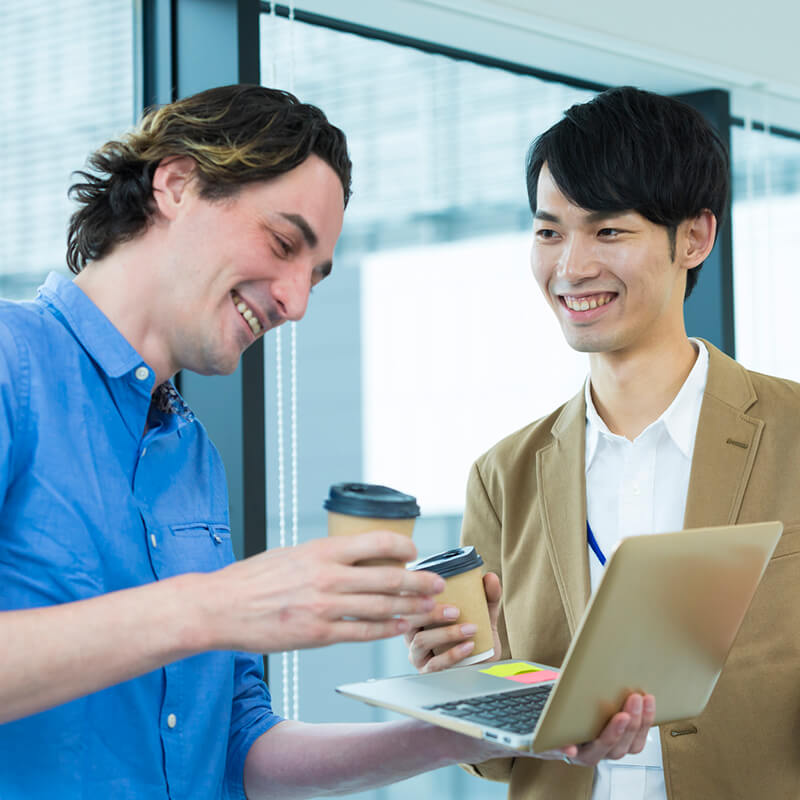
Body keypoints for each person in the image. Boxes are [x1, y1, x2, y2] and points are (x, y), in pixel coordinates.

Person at [0, 84, 652, 800]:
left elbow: (243, 750)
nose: (296, 301)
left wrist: (494, 726)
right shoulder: (12, 364)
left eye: (314, 275)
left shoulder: (189, 456)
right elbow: (198, 615)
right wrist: (212, 607)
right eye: (283, 244)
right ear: (177, 183)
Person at [406, 86, 800, 800]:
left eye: (608, 232)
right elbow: (494, 760)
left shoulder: (794, 433)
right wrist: (464, 683)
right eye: (550, 231)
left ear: (695, 238)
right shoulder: (504, 475)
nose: (571, 267)